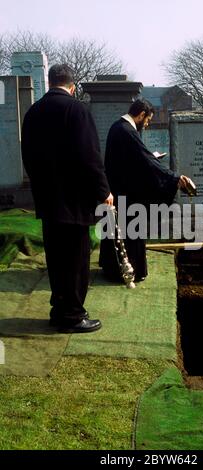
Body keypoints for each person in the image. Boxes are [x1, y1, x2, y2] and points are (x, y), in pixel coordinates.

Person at [21, 64, 113, 333]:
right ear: (72, 86)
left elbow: (28, 156)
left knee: (57, 260)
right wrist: (103, 191)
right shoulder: (77, 110)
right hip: (74, 202)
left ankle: (59, 309)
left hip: (48, 200)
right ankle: (72, 315)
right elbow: (90, 157)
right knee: (75, 262)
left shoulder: (33, 112)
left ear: (50, 83)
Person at [99, 98, 191, 282]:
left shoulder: (118, 127)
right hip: (127, 193)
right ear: (141, 115)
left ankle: (112, 269)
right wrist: (174, 178)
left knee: (118, 233)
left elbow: (136, 160)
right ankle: (129, 271)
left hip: (119, 189)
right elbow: (146, 160)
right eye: (147, 120)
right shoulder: (128, 131)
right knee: (129, 233)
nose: (147, 124)